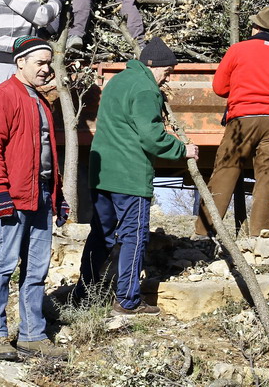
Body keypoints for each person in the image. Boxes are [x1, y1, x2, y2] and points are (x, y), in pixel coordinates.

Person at [71, 37, 199, 315]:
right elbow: (151, 137)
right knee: (134, 236)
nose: (168, 77)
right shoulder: (145, 89)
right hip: (129, 176)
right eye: (167, 71)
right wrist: (182, 149)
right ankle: (127, 301)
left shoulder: (117, 81)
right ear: (155, 66)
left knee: (101, 234)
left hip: (102, 173)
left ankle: (84, 293)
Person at [0, 36, 69, 361]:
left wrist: (58, 196)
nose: (46, 69)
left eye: (49, 63)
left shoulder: (42, 101)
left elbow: (48, 155)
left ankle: (32, 336)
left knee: (37, 271)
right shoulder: (1, 97)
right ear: (20, 63)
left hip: (41, 195)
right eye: (40, 63)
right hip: (13, 197)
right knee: (3, 266)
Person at [195, 6, 269, 238]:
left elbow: (219, 87)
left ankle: (204, 233)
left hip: (242, 120)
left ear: (255, 27)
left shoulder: (238, 50)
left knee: (225, 173)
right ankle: (261, 237)